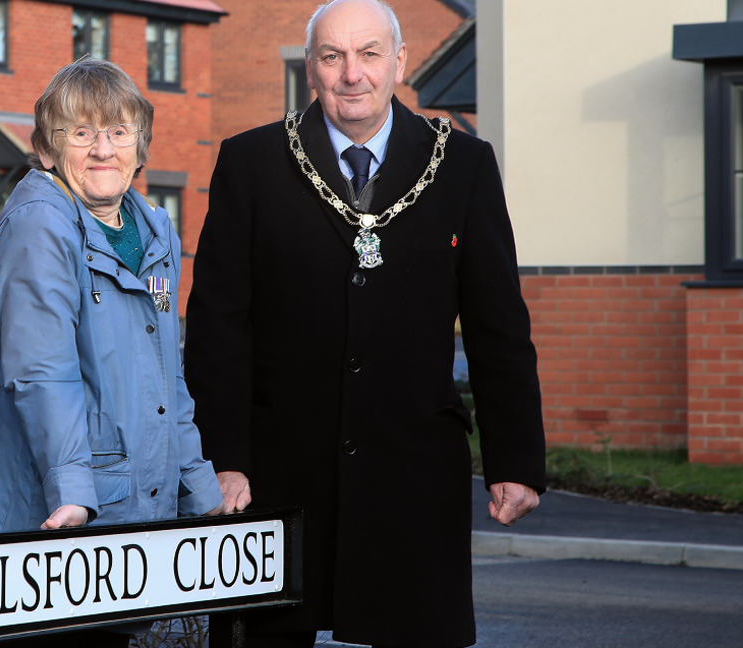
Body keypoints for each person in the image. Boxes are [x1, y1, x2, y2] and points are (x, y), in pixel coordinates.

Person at [183, 1, 546, 647]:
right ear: (311, 69)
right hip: (276, 475)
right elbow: (218, 328)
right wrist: (222, 458)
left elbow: (498, 327)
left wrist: (514, 459)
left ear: (398, 62)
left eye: (369, 54)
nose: (352, 74)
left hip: (412, 475)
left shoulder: (462, 165)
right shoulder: (251, 162)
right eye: (332, 57)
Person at [0, 59, 224, 648]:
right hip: (48, 525)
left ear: (140, 146)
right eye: (80, 133)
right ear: (46, 150)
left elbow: (166, 376)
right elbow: (42, 373)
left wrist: (197, 484)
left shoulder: (154, 229)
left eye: (118, 132)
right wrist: (73, 493)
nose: (103, 149)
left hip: (119, 529)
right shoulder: (39, 225)